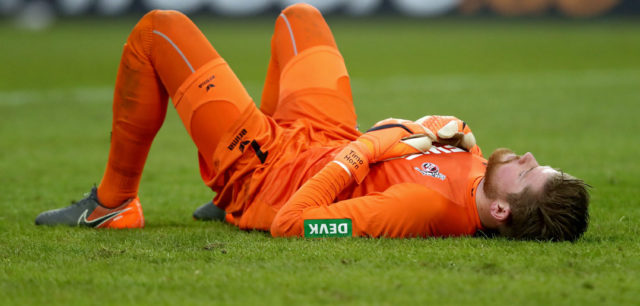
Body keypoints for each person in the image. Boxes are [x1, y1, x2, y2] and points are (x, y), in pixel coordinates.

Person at [35, 3, 590, 241]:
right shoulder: (480, 175)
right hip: (323, 138)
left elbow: (297, 224)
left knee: (159, 30)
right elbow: (425, 148)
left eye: (531, 174)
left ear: (500, 211)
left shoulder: (419, 211)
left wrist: (367, 149)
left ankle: (113, 205)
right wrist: (444, 130)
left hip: (273, 172)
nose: (528, 157)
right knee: (300, 18)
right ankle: (223, 200)